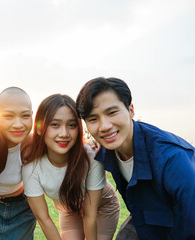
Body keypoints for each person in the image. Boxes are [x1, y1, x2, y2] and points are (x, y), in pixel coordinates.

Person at [75, 77, 195, 240]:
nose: (104, 126)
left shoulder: (171, 157)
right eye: (93, 119)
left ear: (131, 110)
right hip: (145, 222)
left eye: (112, 113)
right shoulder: (107, 149)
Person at [22, 94, 120, 240]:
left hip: (102, 207)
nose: (64, 134)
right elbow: (43, 218)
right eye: (55, 124)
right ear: (40, 128)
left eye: (72, 125)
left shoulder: (91, 156)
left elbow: (89, 214)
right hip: (70, 210)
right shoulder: (31, 168)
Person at [0, 87, 37, 240]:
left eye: (25, 116)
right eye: (8, 116)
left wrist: (88, 146)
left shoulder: (33, 143)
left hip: (23, 205)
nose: (18, 124)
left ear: (32, 116)